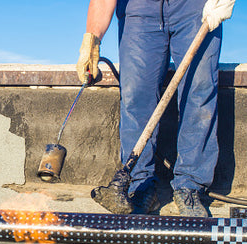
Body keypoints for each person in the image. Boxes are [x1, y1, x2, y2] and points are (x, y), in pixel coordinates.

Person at [76, 0, 235, 217]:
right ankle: (140, 185)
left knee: (198, 91)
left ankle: (191, 186)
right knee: (136, 95)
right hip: (140, 10)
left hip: (195, 8)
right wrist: (91, 39)